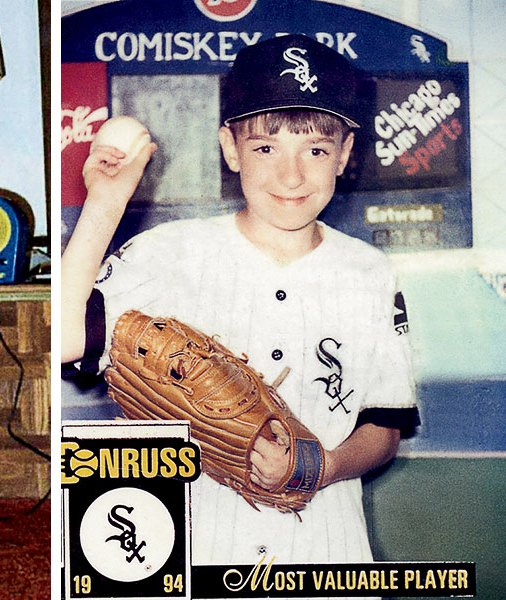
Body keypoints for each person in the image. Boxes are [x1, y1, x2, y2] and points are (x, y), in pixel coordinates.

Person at [62, 34, 419, 567]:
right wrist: (105, 203)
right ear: (230, 147)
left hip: (324, 553)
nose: (291, 175)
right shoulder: (168, 253)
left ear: (344, 154)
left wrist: (319, 466)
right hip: (195, 547)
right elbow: (65, 341)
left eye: (316, 149)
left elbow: (384, 427)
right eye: (265, 147)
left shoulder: (368, 272)